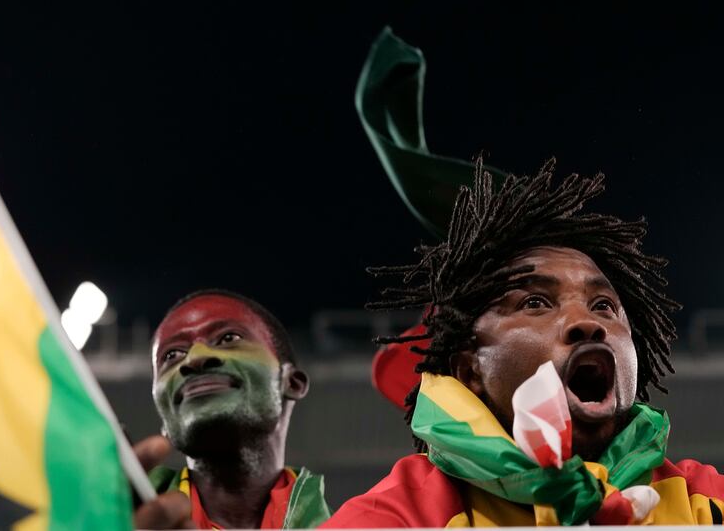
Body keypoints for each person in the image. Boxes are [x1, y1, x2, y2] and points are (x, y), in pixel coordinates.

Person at [322, 160, 724, 527]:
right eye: (535, 302)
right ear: (469, 369)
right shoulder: (395, 516)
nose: (586, 322)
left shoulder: (702, 499)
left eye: (604, 306)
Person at [141, 289, 330, 529]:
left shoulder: (350, 525)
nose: (195, 359)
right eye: (172, 355)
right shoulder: (115, 515)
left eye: (228, 338)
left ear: (292, 382)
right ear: (165, 419)